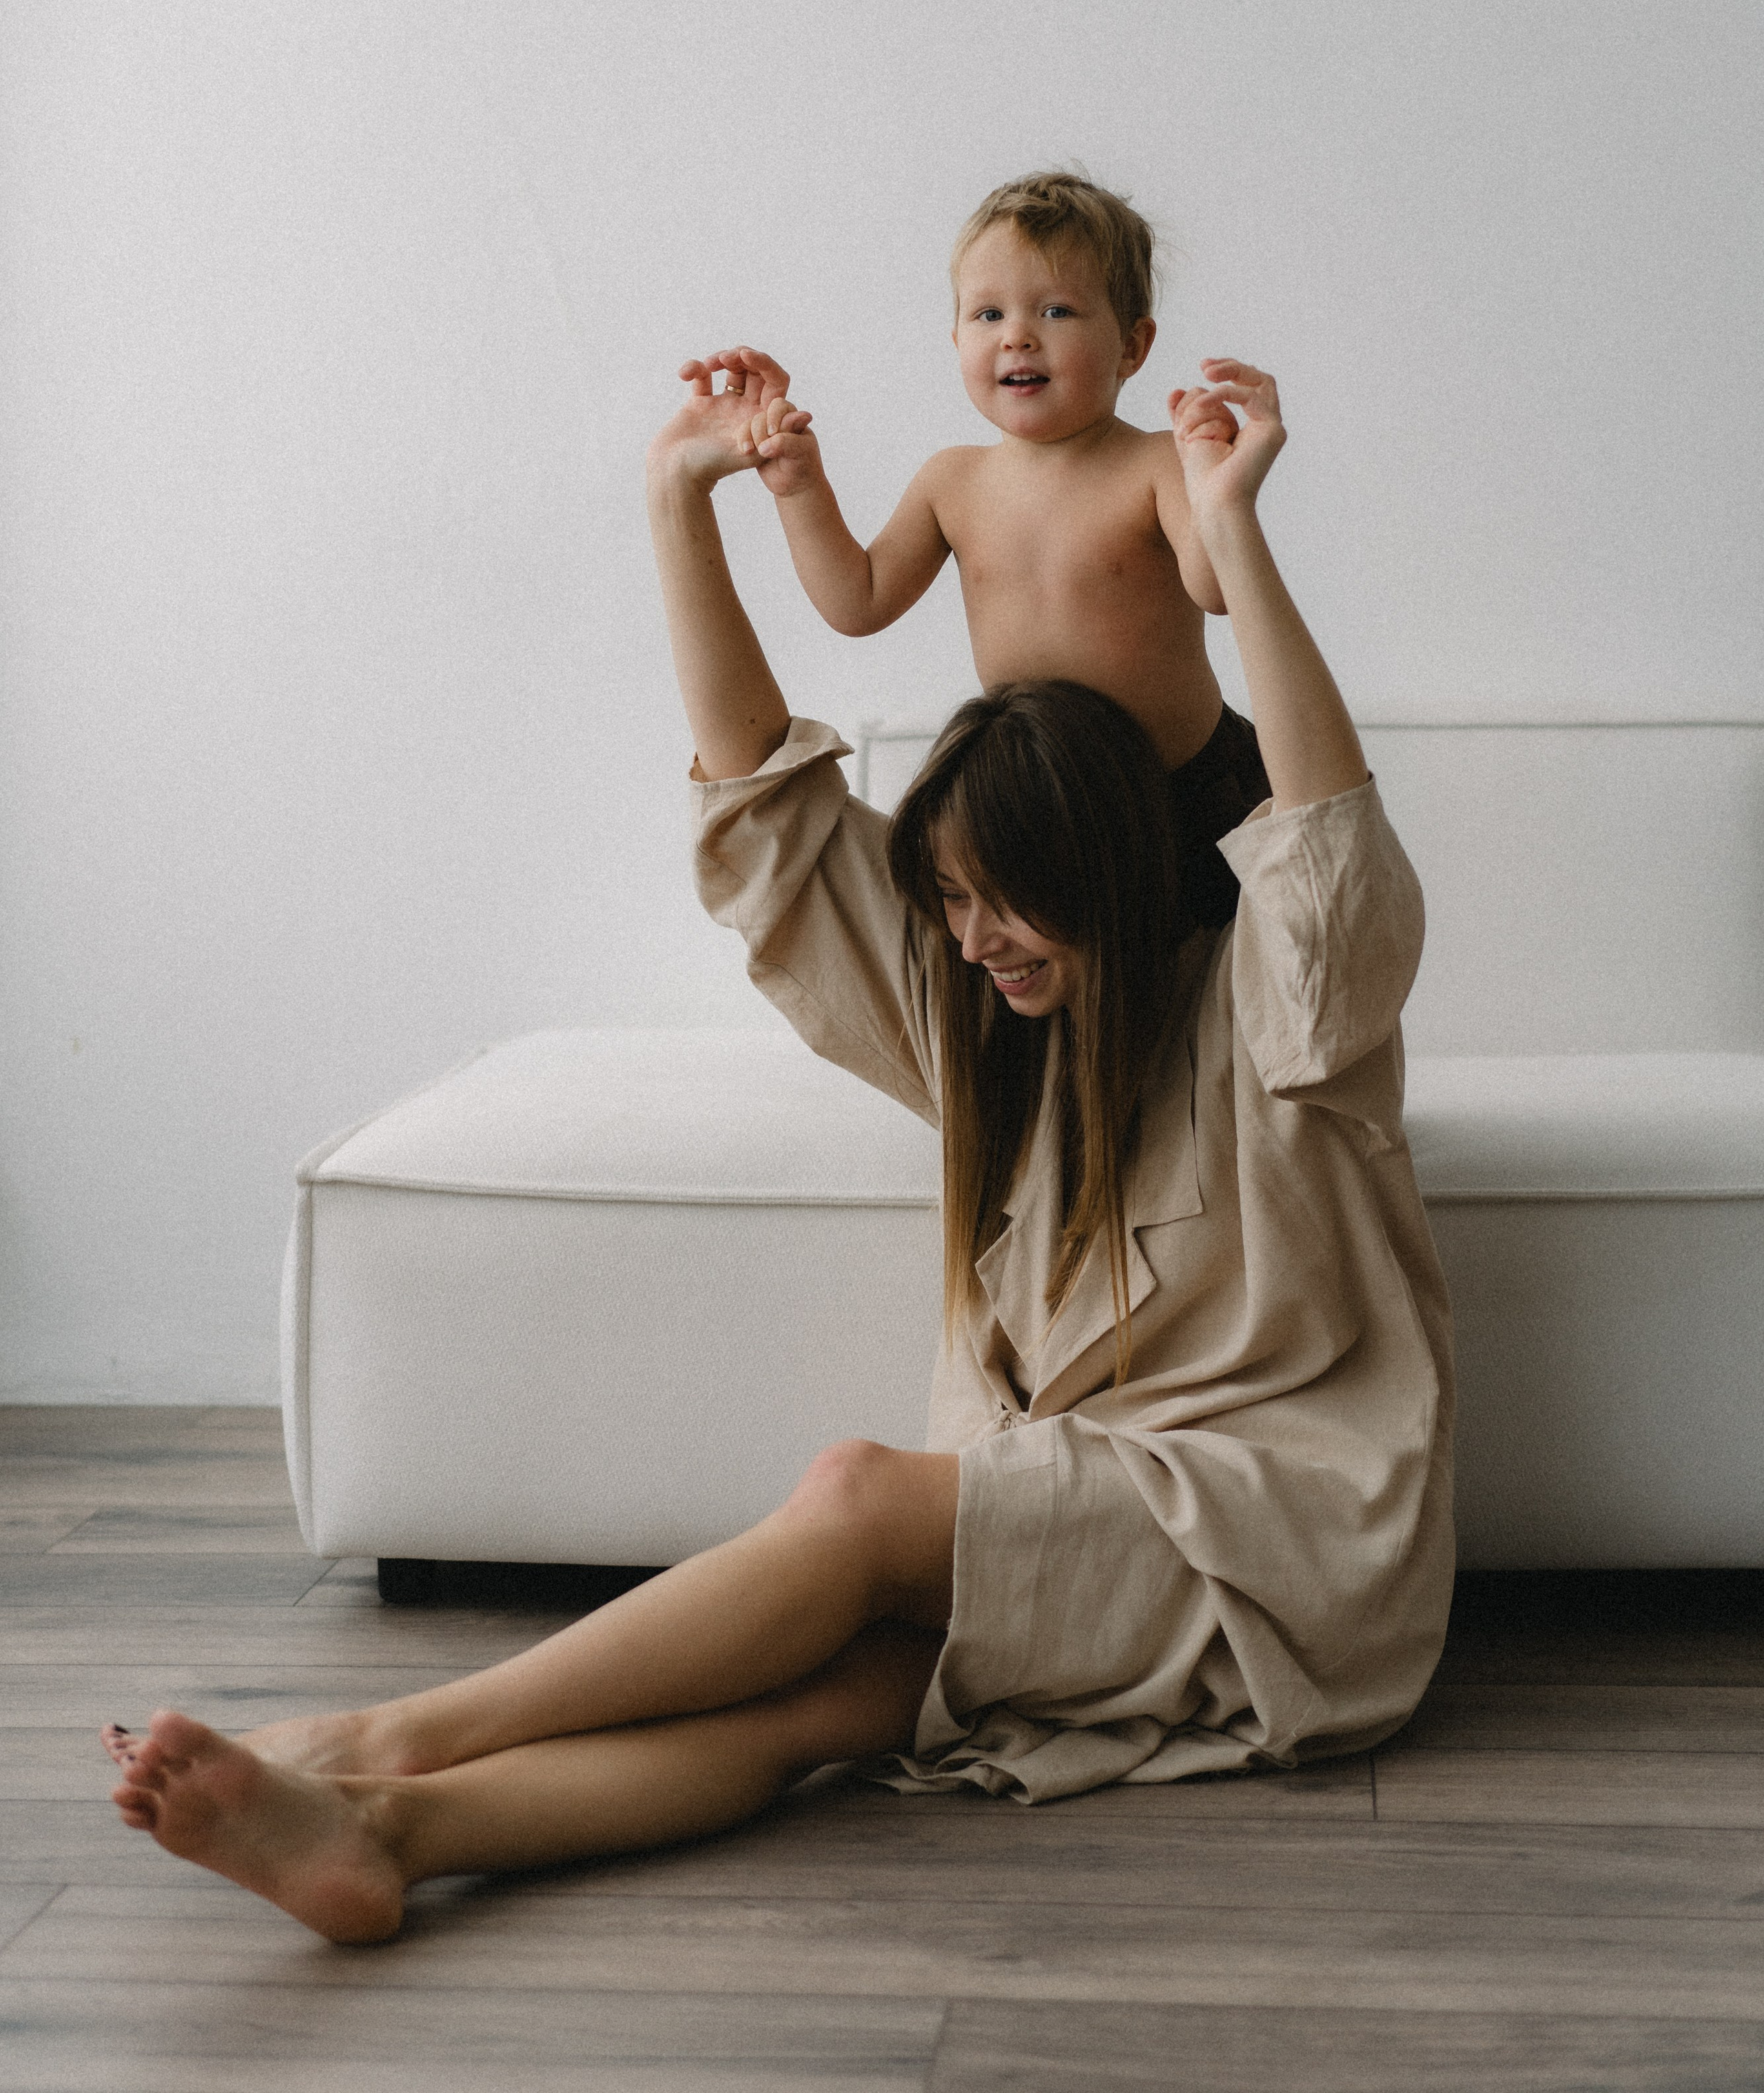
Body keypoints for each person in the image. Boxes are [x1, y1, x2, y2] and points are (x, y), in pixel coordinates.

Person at [103, 351, 1453, 1946]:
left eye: (1007, 898)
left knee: (855, 1496)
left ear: (1105, 872)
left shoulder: (1287, 1015)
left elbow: (1328, 840)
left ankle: (382, 1741)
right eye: (949, 902)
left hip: (1265, 1542)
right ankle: (394, 1835)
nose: (974, 941)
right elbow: (769, 813)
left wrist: (1233, 533)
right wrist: (679, 506)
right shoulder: (980, 1023)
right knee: (816, 1706)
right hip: (1074, 1525)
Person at [701, 168, 1271, 927]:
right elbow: (857, 602)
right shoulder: (954, 481)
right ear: (956, 340)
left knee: (1213, 973)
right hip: (1041, 802)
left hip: (1187, 792)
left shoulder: (1155, 465)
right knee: (1059, 971)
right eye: (988, 313)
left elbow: (1218, 590)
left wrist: (1217, 488)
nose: (1017, 335)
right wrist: (801, 489)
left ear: (1132, 345)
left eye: (1057, 310)